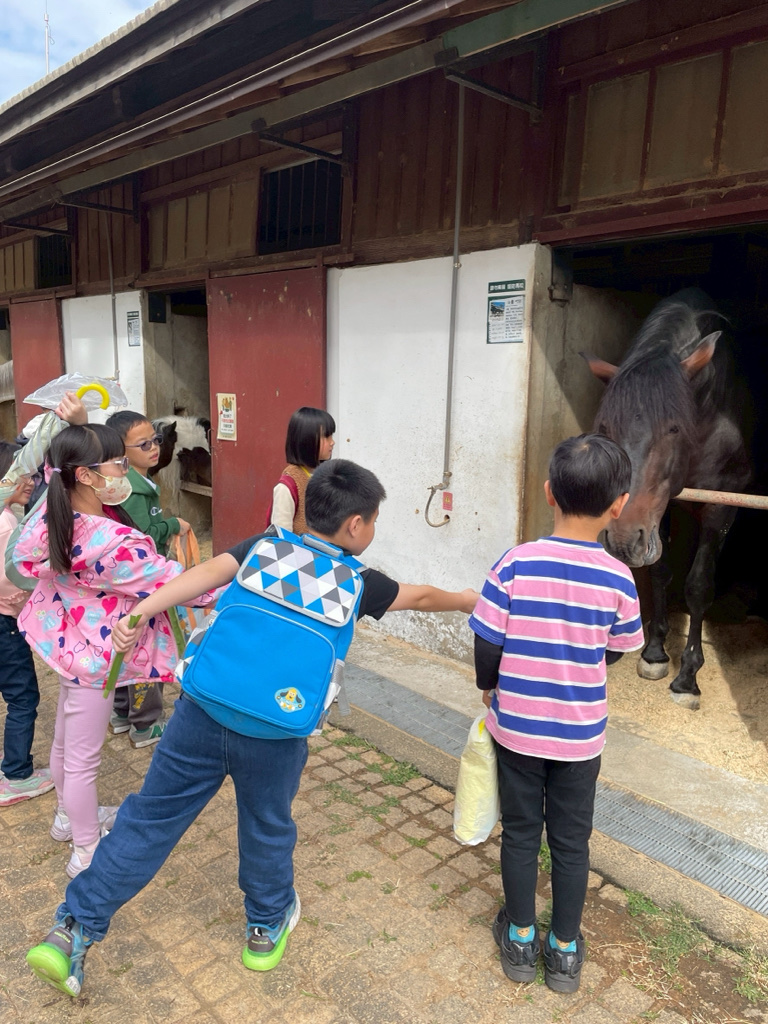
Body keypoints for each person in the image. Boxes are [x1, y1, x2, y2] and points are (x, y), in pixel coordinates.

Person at [25, 458, 479, 998]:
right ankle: (264, 925)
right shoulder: (357, 583)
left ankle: (73, 928)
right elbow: (422, 596)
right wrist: (471, 600)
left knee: (148, 819)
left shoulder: (264, 548)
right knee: (266, 825)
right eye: (374, 520)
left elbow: (201, 576)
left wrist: (139, 612)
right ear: (356, 524)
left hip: (201, 710)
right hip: (276, 733)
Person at [469, 434, 644, 994]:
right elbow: (618, 648)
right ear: (619, 504)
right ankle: (564, 951)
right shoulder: (619, 577)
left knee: (521, 833)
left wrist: (489, 686)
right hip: (579, 739)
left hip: (517, 730)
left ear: (549, 492)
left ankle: (521, 939)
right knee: (572, 842)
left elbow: (487, 640)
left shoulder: (515, 562)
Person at [13, 424, 217, 879]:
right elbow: (177, 583)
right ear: (85, 476)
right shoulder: (110, 546)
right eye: (118, 463)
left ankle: (68, 818)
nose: (124, 471)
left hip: (68, 646)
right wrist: (238, 585)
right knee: (82, 760)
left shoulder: (55, 519)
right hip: (96, 660)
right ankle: (86, 849)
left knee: (65, 744)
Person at [104, 410, 191, 749]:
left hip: (129, 582)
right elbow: (142, 535)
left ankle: (121, 713)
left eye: (155, 441)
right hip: (143, 582)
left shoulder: (134, 482)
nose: (154, 448)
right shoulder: (132, 490)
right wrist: (173, 525)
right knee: (146, 649)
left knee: (127, 644)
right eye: (143, 444)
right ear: (121, 453)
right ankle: (145, 724)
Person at [0, 442, 53, 805]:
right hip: (5, 624)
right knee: (23, 698)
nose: (32, 482)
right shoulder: (6, 523)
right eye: (25, 475)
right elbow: (11, 579)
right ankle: (17, 774)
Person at [269, 406, 335, 534]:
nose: (332, 442)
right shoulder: (287, 487)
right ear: (307, 440)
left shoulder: (326, 475)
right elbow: (281, 536)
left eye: (331, 436)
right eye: (326, 436)